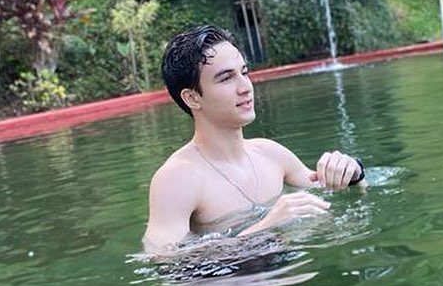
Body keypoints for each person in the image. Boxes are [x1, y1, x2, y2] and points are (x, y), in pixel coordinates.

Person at [145, 23, 364, 255]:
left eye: (244, 72)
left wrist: (353, 172)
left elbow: (341, 195)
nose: (245, 87)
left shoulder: (270, 153)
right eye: (226, 78)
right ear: (192, 98)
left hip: (283, 276)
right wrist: (263, 229)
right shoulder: (177, 178)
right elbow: (164, 261)